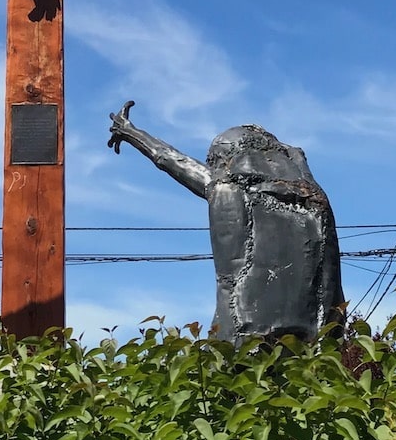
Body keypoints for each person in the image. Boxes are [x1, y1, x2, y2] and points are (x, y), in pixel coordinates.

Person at [108, 103, 344, 344]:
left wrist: (131, 132)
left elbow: (169, 159)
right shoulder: (315, 200)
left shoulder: (229, 186)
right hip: (317, 336)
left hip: (244, 332)